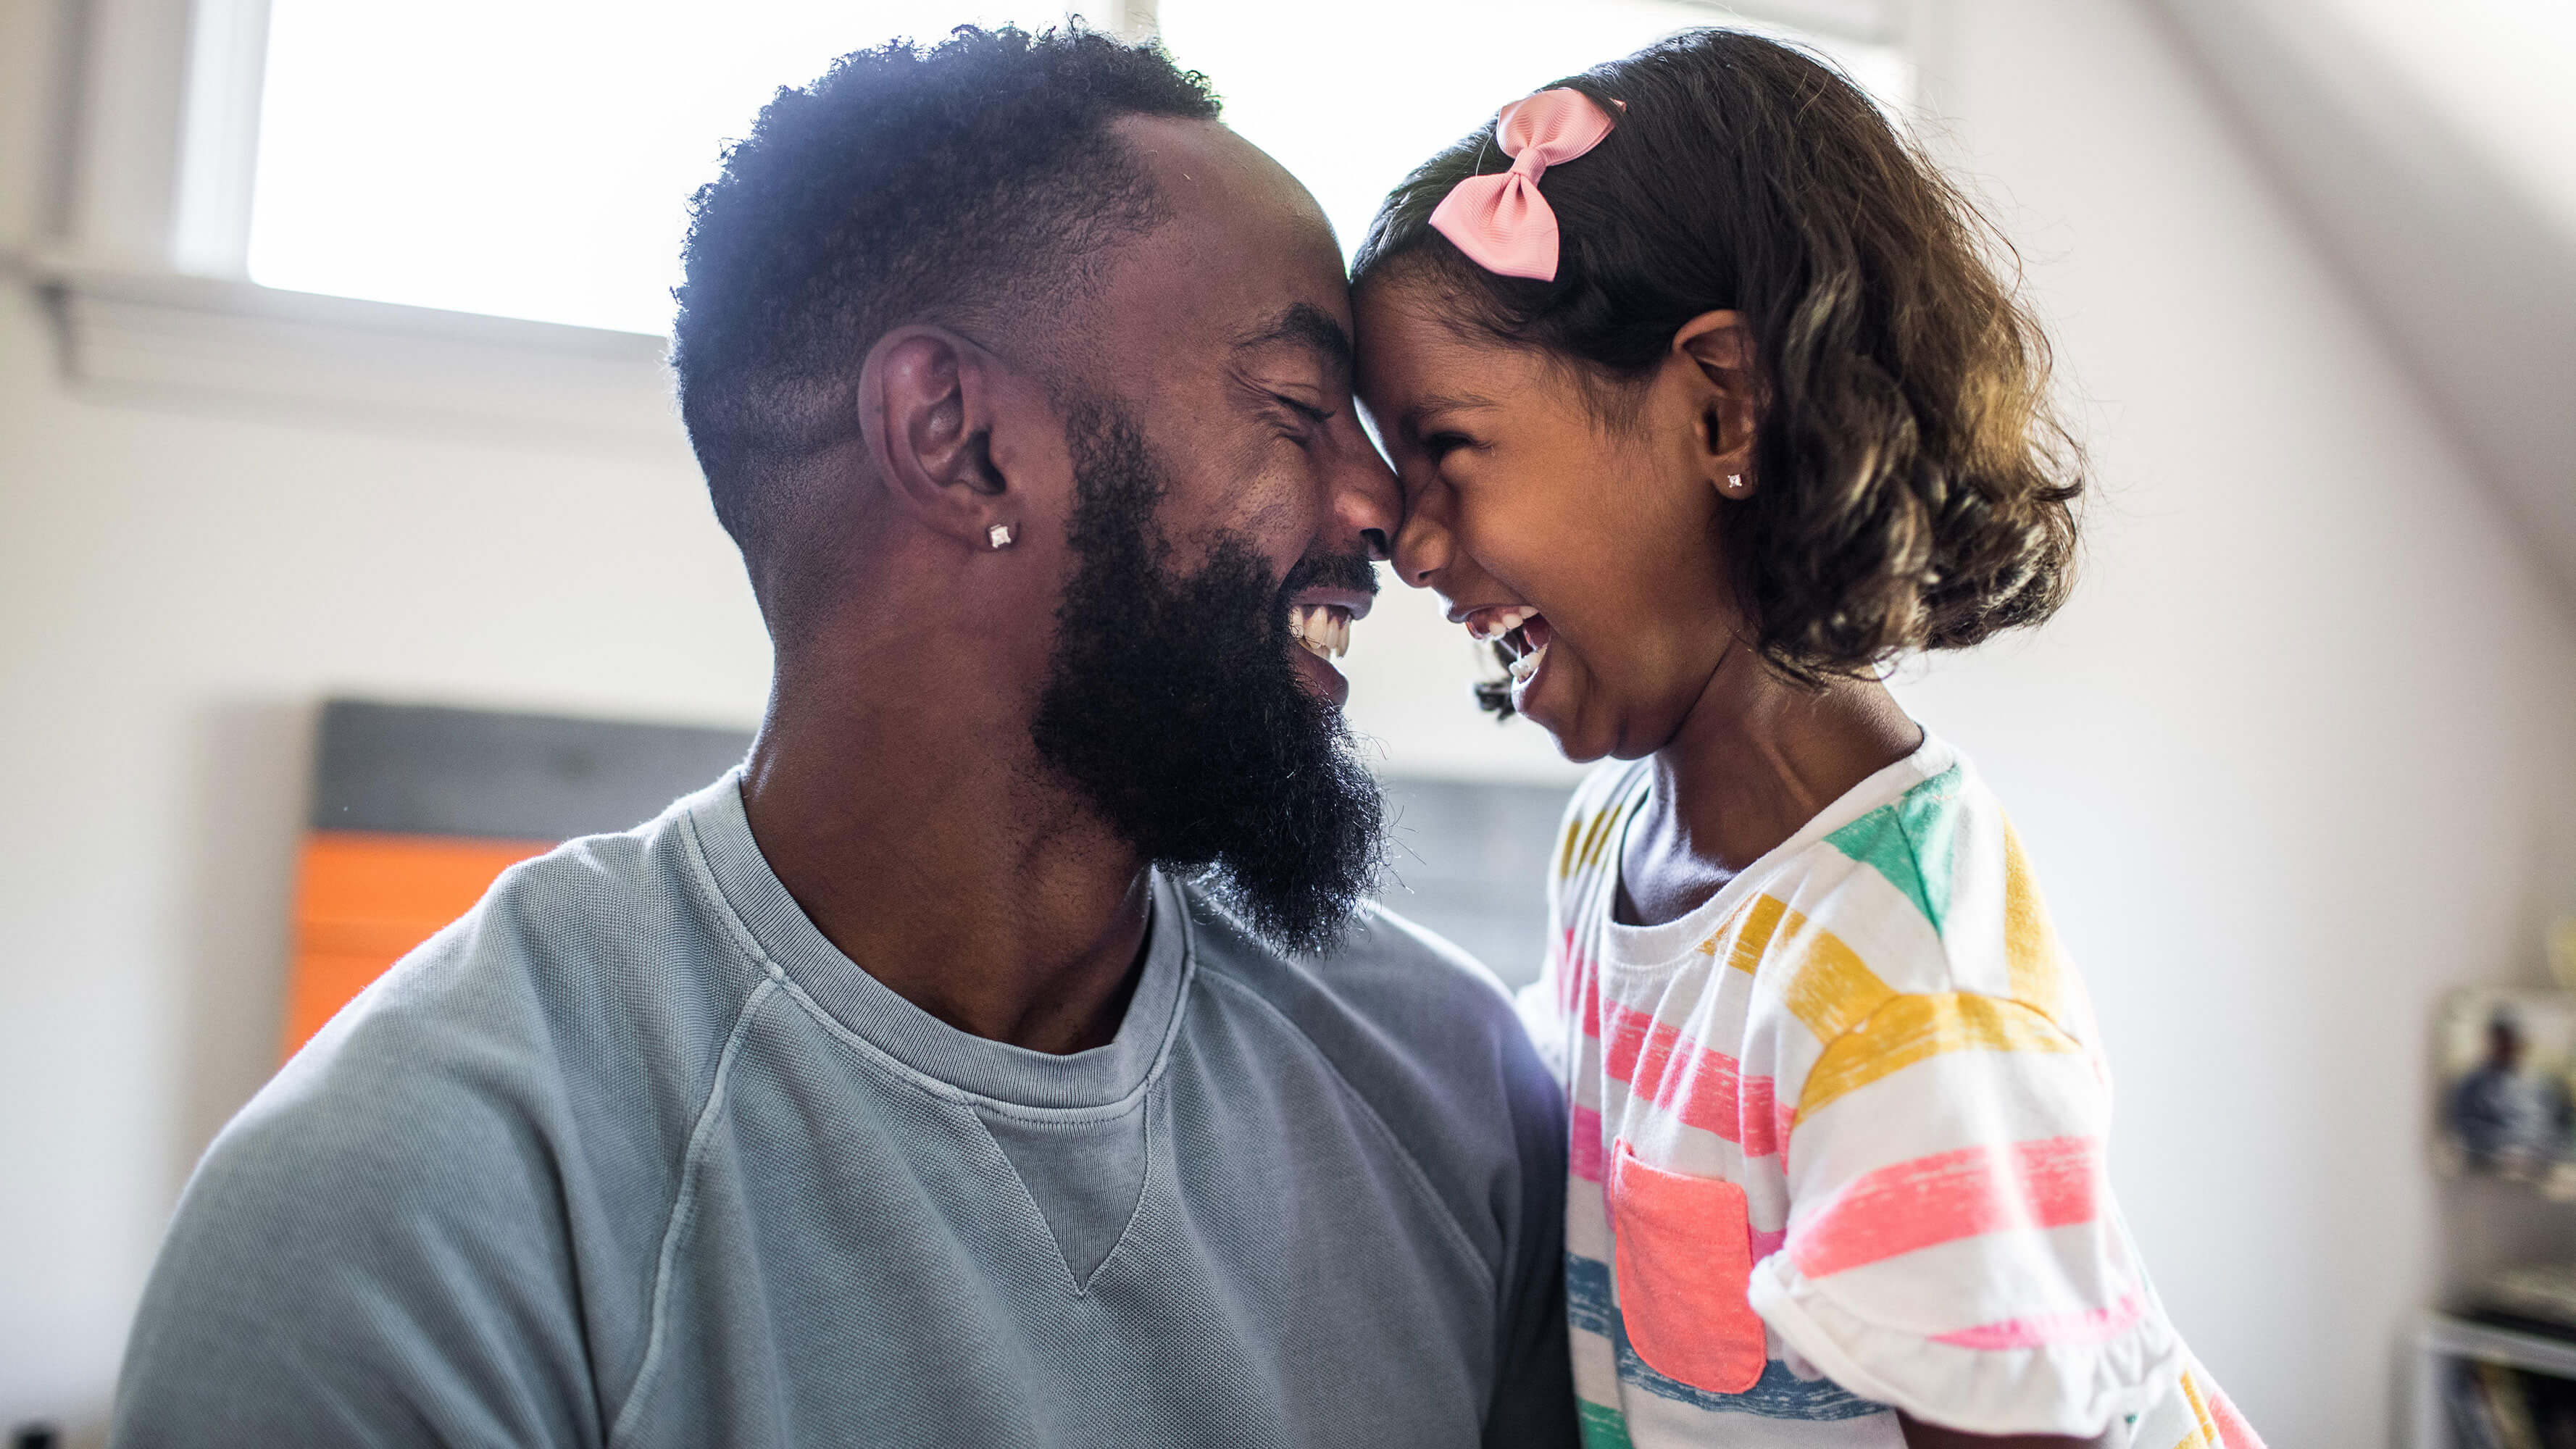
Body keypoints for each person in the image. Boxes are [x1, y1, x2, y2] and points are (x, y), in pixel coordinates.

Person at [113, 28, 1576, 1448]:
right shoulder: (409, 1212)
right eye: (1298, 407)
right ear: (958, 440)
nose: (1386, 508)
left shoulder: (1451, 1090)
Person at [1350, 30, 2259, 1449]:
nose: (1406, 542)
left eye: (1447, 451)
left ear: (1720, 408)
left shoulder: (1903, 983)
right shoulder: (1617, 839)